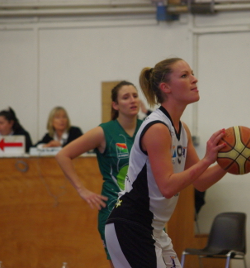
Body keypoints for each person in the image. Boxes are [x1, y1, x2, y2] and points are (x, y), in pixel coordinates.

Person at [104, 58, 228, 268]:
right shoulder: (158, 128)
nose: (194, 79)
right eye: (184, 75)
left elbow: (201, 182)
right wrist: (207, 159)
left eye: (192, 73)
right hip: (130, 225)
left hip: (154, 230)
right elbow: (168, 186)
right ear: (166, 88)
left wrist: (229, 163)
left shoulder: (182, 129)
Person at [55, 81, 143, 268]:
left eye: (135, 95)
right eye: (125, 97)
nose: (132, 100)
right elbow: (63, 155)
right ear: (115, 105)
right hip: (114, 210)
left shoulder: (149, 128)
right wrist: (82, 190)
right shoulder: (104, 131)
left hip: (145, 210)